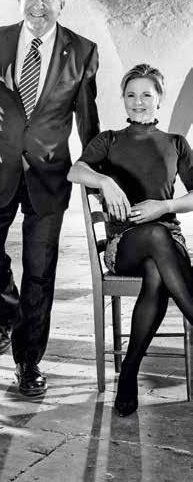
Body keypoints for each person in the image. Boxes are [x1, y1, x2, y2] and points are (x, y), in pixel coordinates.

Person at [0, 0, 100, 397]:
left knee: (40, 272)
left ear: (61, 2)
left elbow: (88, 122)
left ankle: (28, 363)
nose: (39, 6)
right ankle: (7, 312)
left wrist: (95, 175)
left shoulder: (82, 51)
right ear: (19, 0)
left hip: (49, 177)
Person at [68, 63, 193, 416]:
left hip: (169, 245)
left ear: (159, 99)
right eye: (131, 95)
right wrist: (105, 181)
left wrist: (164, 206)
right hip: (123, 246)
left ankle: (129, 374)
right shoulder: (109, 140)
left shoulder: (176, 143)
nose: (138, 102)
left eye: (146, 95)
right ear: (123, 99)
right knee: (153, 235)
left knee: (156, 267)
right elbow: (74, 170)